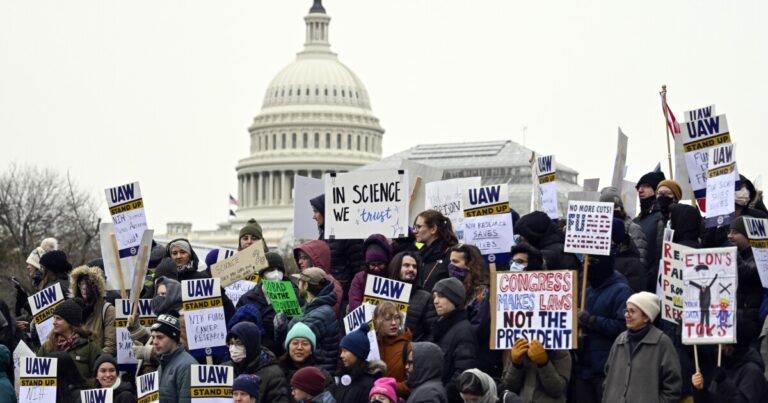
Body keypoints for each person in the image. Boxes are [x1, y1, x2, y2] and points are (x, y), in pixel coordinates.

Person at [572, 250, 633, 403]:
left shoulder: (622, 290)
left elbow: (623, 327)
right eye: (585, 262)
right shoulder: (586, 292)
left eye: (592, 262)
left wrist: (591, 321)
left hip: (607, 369)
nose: (587, 266)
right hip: (583, 367)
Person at [603, 292, 682, 403]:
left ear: (646, 317)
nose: (626, 315)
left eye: (632, 311)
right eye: (626, 311)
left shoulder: (662, 343)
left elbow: (673, 387)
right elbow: (608, 376)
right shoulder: (620, 341)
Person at [446, 243, 500, 378]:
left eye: (455, 262)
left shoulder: (481, 291)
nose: (451, 266)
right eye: (450, 261)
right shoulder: (457, 288)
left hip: (477, 355)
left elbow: (480, 325)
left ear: (470, 264)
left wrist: (458, 339)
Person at [692, 313, 767, 403]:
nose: (720, 347)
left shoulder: (752, 371)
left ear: (733, 345)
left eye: (724, 342)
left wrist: (723, 383)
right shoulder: (724, 365)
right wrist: (700, 391)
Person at [281, 267, 340, 372]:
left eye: (299, 282)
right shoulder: (310, 307)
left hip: (316, 373)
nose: (297, 286)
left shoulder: (320, 315)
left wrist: (280, 327)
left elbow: (292, 344)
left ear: (306, 285)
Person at [430, 277, 478, 403]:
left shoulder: (464, 331)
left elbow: (463, 375)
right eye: (434, 296)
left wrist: (440, 397)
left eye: (441, 296)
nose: (435, 301)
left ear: (455, 299)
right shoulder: (442, 326)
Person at [236, 251, 292, 355]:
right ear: (262, 274)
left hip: (285, 354)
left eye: (280, 270)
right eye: (271, 270)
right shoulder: (247, 299)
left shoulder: (293, 296)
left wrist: (285, 325)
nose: (276, 274)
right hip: (257, 354)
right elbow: (238, 330)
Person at [310, 193, 364, 298]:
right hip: (329, 294)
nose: (313, 217)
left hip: (344, 297)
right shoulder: (323, 236)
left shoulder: (349, 235)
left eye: (316, 211)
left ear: (325, 211)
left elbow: (359, 269)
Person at [226, 321, 290, 403]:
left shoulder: (274, 374)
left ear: (250, 344)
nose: (233, 348)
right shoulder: (225, 369)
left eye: (239, 343)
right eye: (231, 343)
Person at [38, 298, 101, 379]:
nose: (54, 322)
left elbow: (97, 376)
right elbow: (38, 375)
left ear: (70, 322)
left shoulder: (90, 346)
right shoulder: (47, 347)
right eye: (54, 318)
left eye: (58, 318)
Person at [501, 337, 570, 403]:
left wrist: (544, 364)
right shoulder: (517, 347)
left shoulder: (560, 350)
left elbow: (558, 390)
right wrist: (516, 365)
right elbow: (507, 388)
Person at [68, 265, 116, 355]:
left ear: (96, 287)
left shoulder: (108, 310)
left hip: (97, 361)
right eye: (81, 283)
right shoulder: (72, 309)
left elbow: (111, 348)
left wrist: (91, 360)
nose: (84, 287)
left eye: (88, 284)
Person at [388, 251, 437, 341]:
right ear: (396, 268)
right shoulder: (383, 293)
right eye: (406, 265)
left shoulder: (425, 298)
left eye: (414, 267)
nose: (411, 269)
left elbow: (432, 332)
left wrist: (416, 348)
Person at [333, 323, 385, 403]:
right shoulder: (344, 376)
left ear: (357, 354)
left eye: (345, 351)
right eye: (341, 351)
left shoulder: (370, 383)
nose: (341, 355)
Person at [728, 216, 764, 328]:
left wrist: (732, 251)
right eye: (729, 232)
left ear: (748, 236)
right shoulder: (739, 254)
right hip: (737, 316)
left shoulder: (762, 257)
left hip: (751, 320)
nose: (729, 236)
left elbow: (746, 273)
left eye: (735, 233)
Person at [152, 313, 196, 403]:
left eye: (160, 337)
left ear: (173, 338)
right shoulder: (161, 365)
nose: (155, 342)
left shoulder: (187, 366)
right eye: (153, 337)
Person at [600, 186, 649, 266]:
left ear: (621, 208)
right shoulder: (597, 230)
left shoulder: (633, 229)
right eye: (607, 207)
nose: (612, 210)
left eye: (615, 206)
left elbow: (640, 261)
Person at [514, 211, 579, 270]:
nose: (522, 239)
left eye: (523, 236)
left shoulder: (549, 254)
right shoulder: (557, 245)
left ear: (534, 234)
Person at [293, 240, 343, 316]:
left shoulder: (332, 285)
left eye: (304, 258)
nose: (300, 262)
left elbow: (324, 317)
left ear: (316, 260)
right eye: (299, 258)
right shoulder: (306, 280)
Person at [373, 301, 412, 398]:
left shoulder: (408, 347)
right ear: (377, 322)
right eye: (388, 319)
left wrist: (388, 386)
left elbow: (412, 385)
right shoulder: (372, 344)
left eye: (397, 318)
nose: (394, 323)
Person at [413, 210, 458, 292]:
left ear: (433, 229)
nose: (415, 231)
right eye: (415, 227)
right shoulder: (420, 254)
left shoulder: (452, 255)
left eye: (419, 227)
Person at [348, 234, 394, 311]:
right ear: (367, 264)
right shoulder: (359, 279)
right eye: (372, 265)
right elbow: (355, 305)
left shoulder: (393, 275)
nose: (376, 268)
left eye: (380, 264)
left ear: (386, 263)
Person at [633, 170, 666, 269]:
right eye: (639, 187)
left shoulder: (663, 217)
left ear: (657, 190)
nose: (640, 190)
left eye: (646, 186)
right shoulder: (635, 221)